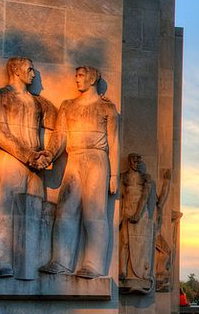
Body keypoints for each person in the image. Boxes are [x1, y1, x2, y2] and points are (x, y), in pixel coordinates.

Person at [40, 66, 119, 278]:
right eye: (76, 76)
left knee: (94, 213)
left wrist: (114, 175)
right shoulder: (68, 106)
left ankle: (94, 264)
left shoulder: (107, 108)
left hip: (96, 158)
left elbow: (113, 142)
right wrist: (49, 155)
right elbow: (60, 136)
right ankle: (61, 261)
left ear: (92, 79)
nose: (77, 79)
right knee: (65, 210)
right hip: (74, 158)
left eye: (81, 75)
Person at [0, 57, 55, 278]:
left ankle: (33, 263)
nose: (33, 75)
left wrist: (46, 154)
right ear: (16, 70)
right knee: (6, 209)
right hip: (13, 159)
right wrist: (27, 155)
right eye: (30, 70)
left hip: (36, 164)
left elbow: (64, 121)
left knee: (36, 212)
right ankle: (2, 262)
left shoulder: (39, 102)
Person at [118, 153, 170, 291]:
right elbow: (121, 197)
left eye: (139, 161)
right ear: (130, 161)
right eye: (135, 161)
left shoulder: (146, 178)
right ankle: (122, 271)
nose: (137, 163)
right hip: (127, 211)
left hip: (141, 214)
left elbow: (145, 196)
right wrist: (120, 217)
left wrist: (138, 214)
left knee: (141, 244)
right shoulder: (123, 177)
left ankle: (142, 272)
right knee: (124, 242)